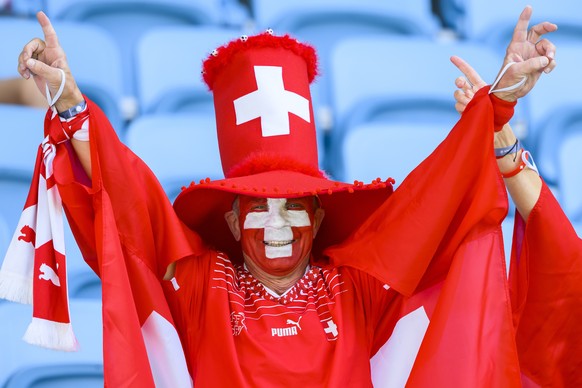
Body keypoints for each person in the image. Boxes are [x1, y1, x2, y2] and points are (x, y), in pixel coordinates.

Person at [3, 6, 578, 387]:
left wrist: (493, 115)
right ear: (230, 220)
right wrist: (73, 105)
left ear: (319, 211)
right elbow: (132, 202)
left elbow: (435, 200)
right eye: (259, 207)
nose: (277, 222)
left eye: (293, 204)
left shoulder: (358, 285)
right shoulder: (199, 281)